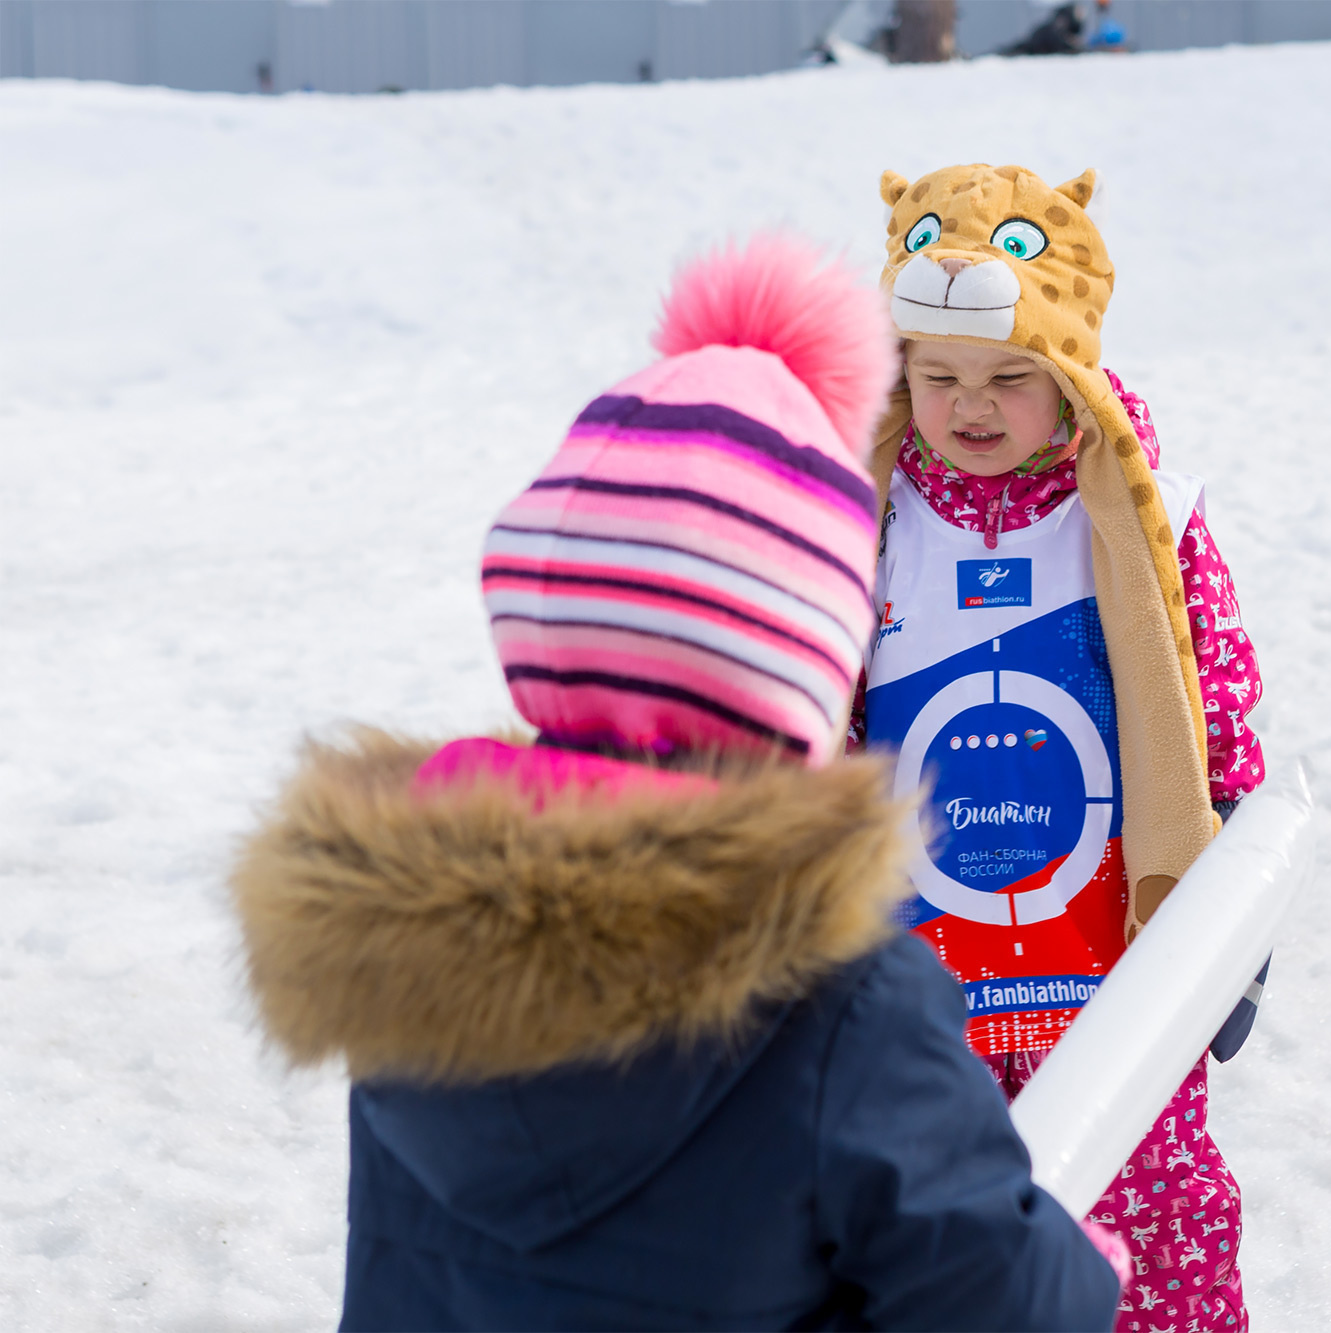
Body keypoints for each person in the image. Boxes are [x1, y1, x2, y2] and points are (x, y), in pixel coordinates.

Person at [227, 237, 1127, 1332]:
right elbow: (1002, 1303)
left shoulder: (401, 954)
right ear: (804, 663)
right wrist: (1071, 1261)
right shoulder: (840, 1001)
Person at [856, 164, 1266, 1333]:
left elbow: (1215, 714)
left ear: (1069, 375)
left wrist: (1226, 916)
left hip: (1110, 963)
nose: (967, 406)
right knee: (930, 1238)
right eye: (937, 376)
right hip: (917, 984)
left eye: (1007, 378)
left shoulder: (1146, 522)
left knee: (1148, 1224)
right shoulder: (869, 522)